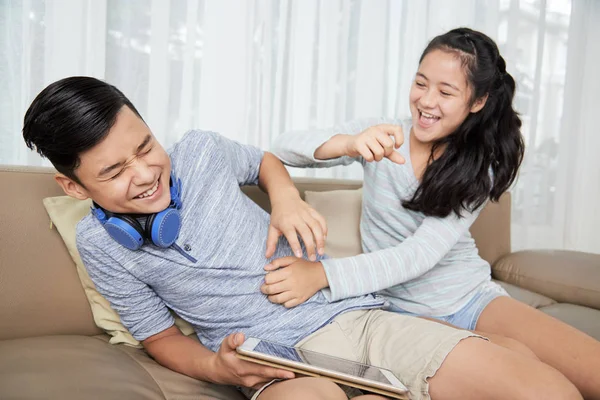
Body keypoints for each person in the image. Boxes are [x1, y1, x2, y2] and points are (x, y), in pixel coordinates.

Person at [22, 75, 583, 400]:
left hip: (357, 318)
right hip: (278, 364)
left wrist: (285, 198)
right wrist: (219, 369)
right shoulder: (101, 246)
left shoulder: (199, 151)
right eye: (113, 173)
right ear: (72, 186)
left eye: (145, 148)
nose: (145, 175)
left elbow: (265, 160)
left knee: (546, 391)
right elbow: (160, 338)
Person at [266, 27, 600, 399]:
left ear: (477, 101)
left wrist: (322, 274)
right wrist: (350, 143)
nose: (426, 101)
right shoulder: (383, 135)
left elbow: (418, 255)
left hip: (471, 299)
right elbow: (281, 147)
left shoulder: (479, 163)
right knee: (535, 381)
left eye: (445, 92)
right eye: (420, 83)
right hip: (398, 316)